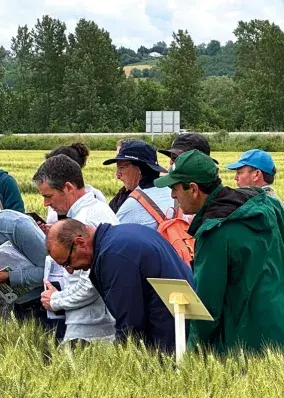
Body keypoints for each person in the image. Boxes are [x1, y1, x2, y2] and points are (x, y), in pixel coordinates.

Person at [153, 150, 284, 376]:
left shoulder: (215, 233)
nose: (173, 195)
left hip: (263, 344)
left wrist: (192, 354)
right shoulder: (262, 202)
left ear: (193, 189)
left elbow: (208, 306)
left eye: (175, 188)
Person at [46, 218, 193, 352]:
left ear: (80, 243)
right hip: (181, 326)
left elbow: (130, 327)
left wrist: (119, 362)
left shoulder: (113, 257)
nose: (70, 270)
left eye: (67, 263)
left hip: (167, 339)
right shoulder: (124, 233)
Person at [32, 154, 119, 343]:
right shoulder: (96, 209)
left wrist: (55, 300)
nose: (46, 204)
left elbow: (90, 284)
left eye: (48, 196)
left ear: (68, 188)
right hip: (92, 321)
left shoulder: (85, 221)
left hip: (92, 326)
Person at [103, 140, 171, 230]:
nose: (118, 175)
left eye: (121, 167)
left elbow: (111, 236)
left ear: (138, 170)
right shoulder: (172, 193)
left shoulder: (133, 204)